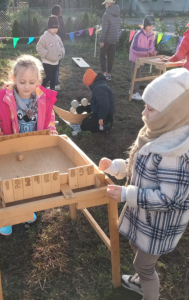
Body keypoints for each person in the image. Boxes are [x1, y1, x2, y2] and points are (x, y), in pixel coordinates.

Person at [99, 68, 189, 300]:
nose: (143, 113)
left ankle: (149, 292)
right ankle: (140, 281)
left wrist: (128, 194)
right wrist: (116, 167)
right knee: (135, 246)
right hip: (143, 216)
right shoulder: (156, 132)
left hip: (160, 223)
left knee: (145, 266)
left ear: (173, 113)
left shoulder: (176, 153)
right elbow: (137, 165)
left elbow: (170, 198)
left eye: (150, 108)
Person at [0, 55, 58, 235]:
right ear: (14, 79)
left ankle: (27, 211)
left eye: (31, 82)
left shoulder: (43, 99)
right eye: (22, 81)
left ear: (38, 81)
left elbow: (50, 123)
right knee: (11, 183)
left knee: (30, 183)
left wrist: (53, 140)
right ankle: (8, 217)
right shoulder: (4, 99)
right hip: (10, 149)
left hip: (34, 149)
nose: (27, 86)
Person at [129, 15, 157, 101]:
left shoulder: (152, 34)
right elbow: (134, 48)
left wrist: (152, 51)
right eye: (149, 26)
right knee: (136, 75)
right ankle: (133, 92)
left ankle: (132, 90)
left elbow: (152, 46)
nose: (151, 28)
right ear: (145, 25)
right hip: (136, 59)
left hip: (143, 58)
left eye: (152, 26)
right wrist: (147, 51)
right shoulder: (139, 35)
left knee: (138, 74)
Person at [36, 16, 65, 91]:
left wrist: (61, 53)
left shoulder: (57, 37)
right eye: (53, 28)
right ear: (49, 28)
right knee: (49, 76)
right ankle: (41, 87)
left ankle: (52, 91)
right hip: (47, 61)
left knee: (53, 78)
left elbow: (62, 46)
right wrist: (46, 54)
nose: (55, 30)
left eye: (57, 28)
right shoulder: (44, 37)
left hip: (56, 61)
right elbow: (39, 47)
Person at [99, 0, 120, 81]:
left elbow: (104, 29)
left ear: (108, 4)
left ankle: (104, 73)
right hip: (114, 38)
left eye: (105, 4)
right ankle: (109, 74)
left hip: (107, 39)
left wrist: (102, 40)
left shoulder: (106, 15)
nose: (105, 5)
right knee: (111, 57)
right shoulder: (117, 14)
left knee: (102, 56)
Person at [51, 5, 66, 91]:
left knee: (54, 65)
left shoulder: (55, 21)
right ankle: (55, 82)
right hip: (59, 45)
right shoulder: (60, 20)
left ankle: (56, 84)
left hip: (55, 46)